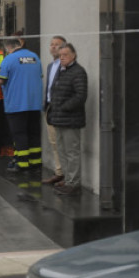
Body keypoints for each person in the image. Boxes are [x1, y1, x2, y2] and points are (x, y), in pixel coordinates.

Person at [0, 33, 43, 173]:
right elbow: (38, 76)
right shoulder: (35, 57)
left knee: (19, 134)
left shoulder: (9, 59)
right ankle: (35, 163)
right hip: (34, 103)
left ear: (8, 47)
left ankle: (22, 164)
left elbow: (1, 79)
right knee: (34, 133)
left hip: (16, 104)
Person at [48, 43, 87, 196]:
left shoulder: (78, 72)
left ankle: (74, 182)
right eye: (60, 55)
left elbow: (80, 95)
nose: (62, 58)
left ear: (74, 55)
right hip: (58, 118)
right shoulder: (61, 71)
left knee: (72, 152)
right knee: (62, 150)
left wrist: (64, 107)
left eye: (65, 55)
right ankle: (67, 178)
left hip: (71, 120)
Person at [42, 35, 67, 185]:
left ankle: (66, 175)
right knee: (53, 142)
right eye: (51, 44)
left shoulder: (65, 66)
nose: (52, 47)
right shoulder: (51, 65)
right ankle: (59, 172)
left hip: (60, 109)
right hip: (50, 108)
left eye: (56, 45)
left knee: (63, 143)